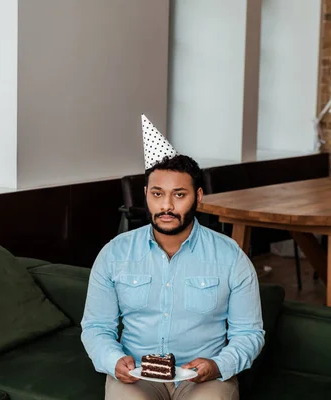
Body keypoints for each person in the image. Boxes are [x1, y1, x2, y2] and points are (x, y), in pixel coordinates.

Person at [81, 115, 264, 400]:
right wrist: (113, 360)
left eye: (179, 194)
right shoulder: (114, 254)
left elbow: (249, 334)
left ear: (198, 196)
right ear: (145, 195)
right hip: (137, 376)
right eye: (157, 194)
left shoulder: (231, 257)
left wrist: (218, 365)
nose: (166, 205)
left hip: (204, 378)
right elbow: (96, 327)